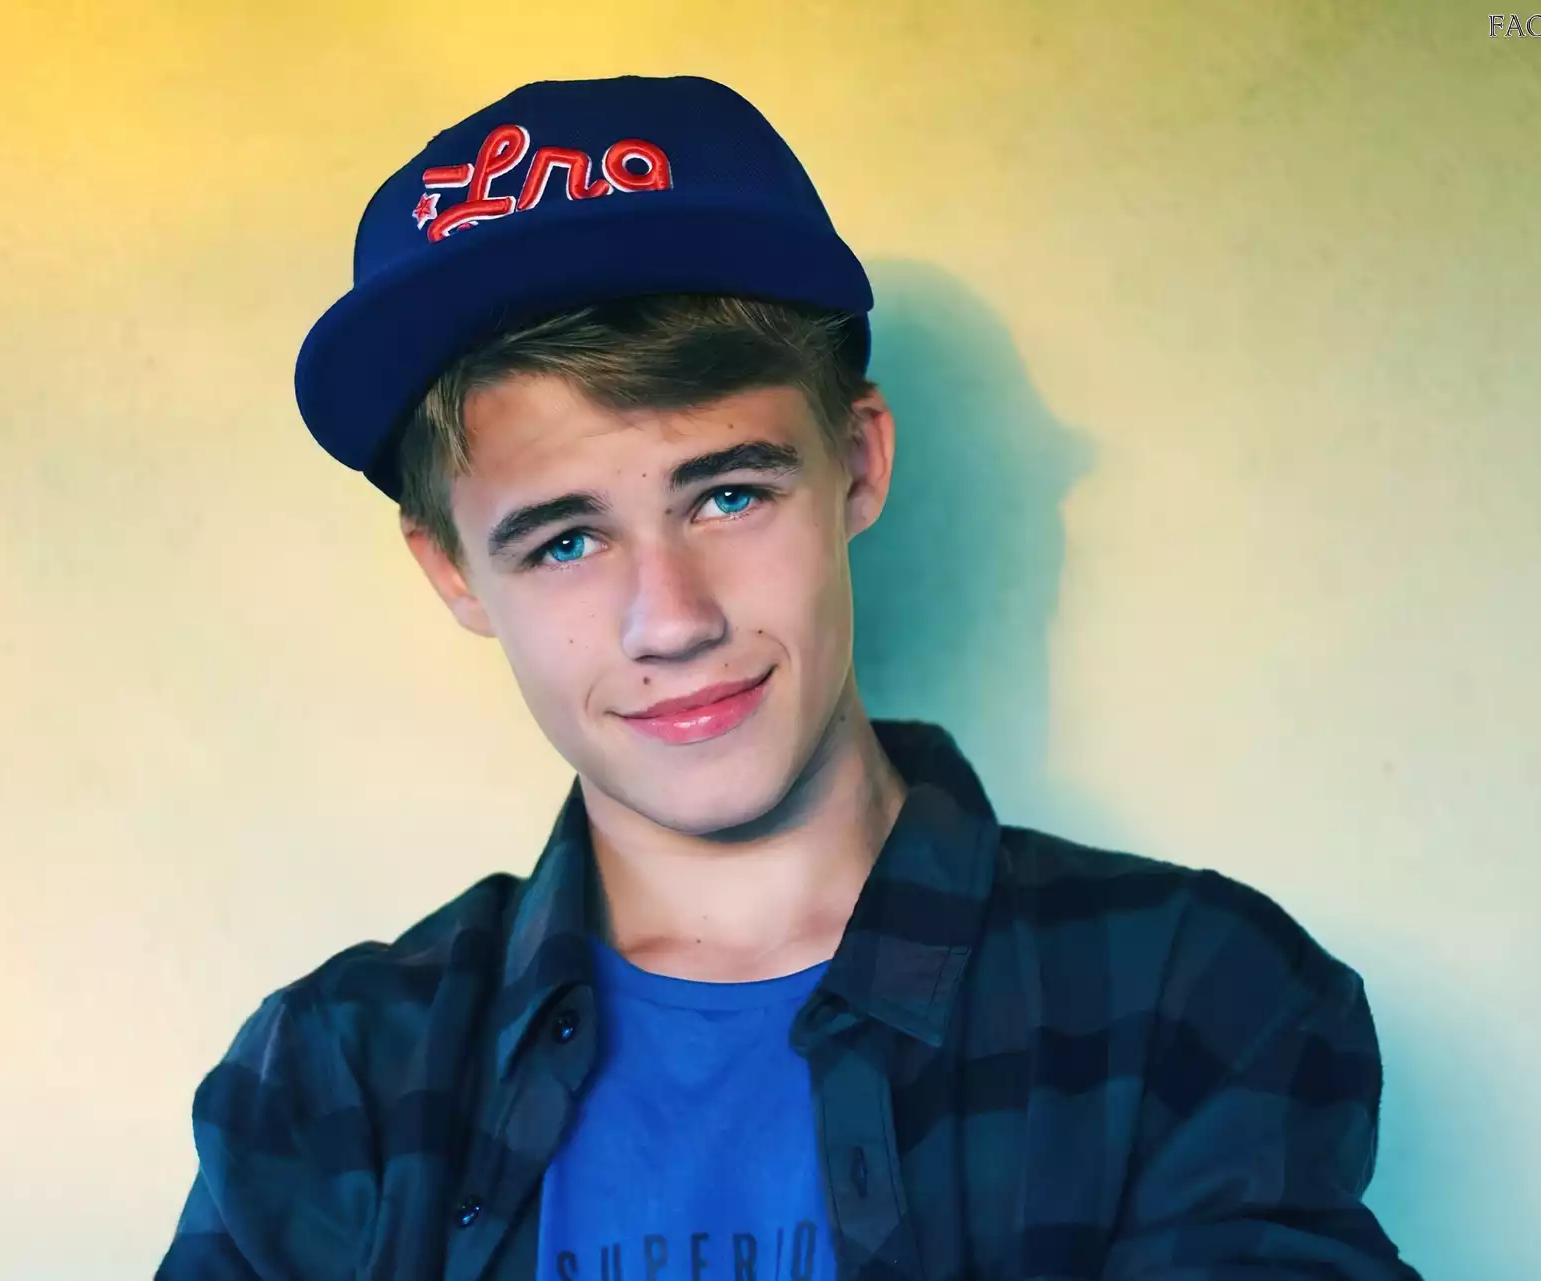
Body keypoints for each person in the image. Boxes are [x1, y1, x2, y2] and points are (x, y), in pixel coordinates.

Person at [155, 75, 1419, 1281]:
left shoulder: (1189, 1001)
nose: (671, 621)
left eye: (729, 495)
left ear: (857, 464)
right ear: (452, 573)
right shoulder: (332, 1080)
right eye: (567, 543)